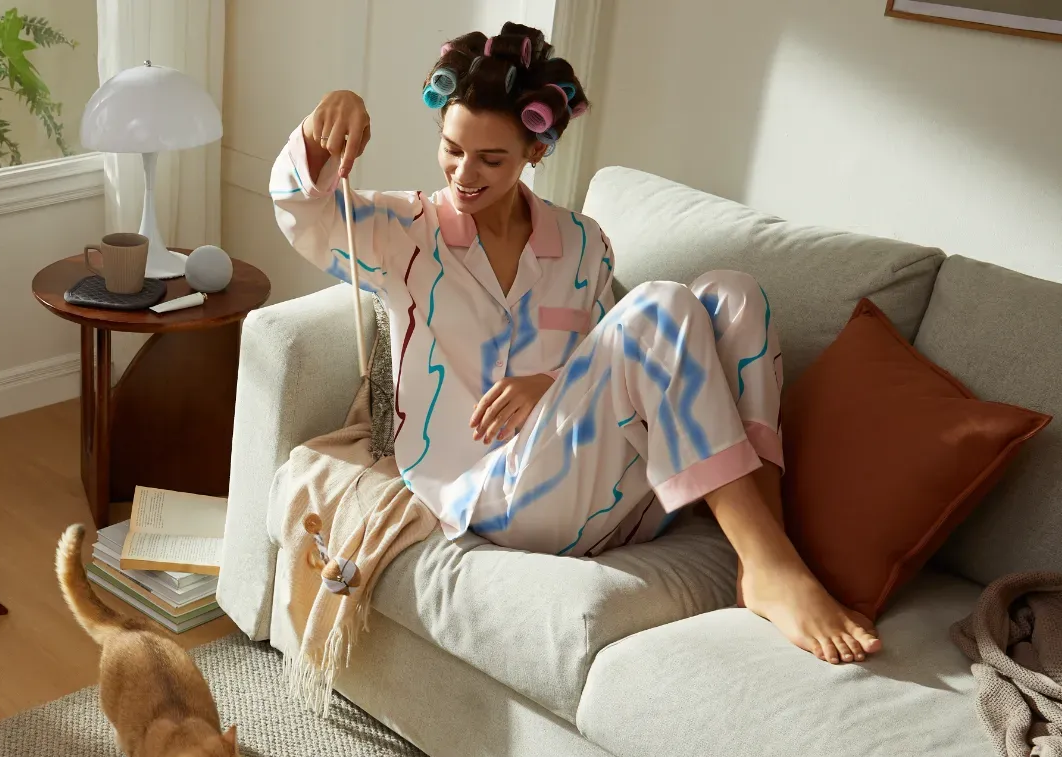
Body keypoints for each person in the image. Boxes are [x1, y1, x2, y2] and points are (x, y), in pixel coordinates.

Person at [271, 22, 881, 665]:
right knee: (662, 305)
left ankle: (767, 550)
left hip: (611, 494)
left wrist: (547, 384)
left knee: (734, 294)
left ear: (535, 152)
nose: (463, 174)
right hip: (493, 495)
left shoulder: (584, 242)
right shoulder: (407, 230)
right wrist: (325, 118)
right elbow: (304, 216)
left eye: (491, 159)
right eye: (451, 149)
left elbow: (616, 369)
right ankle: (770, 567)